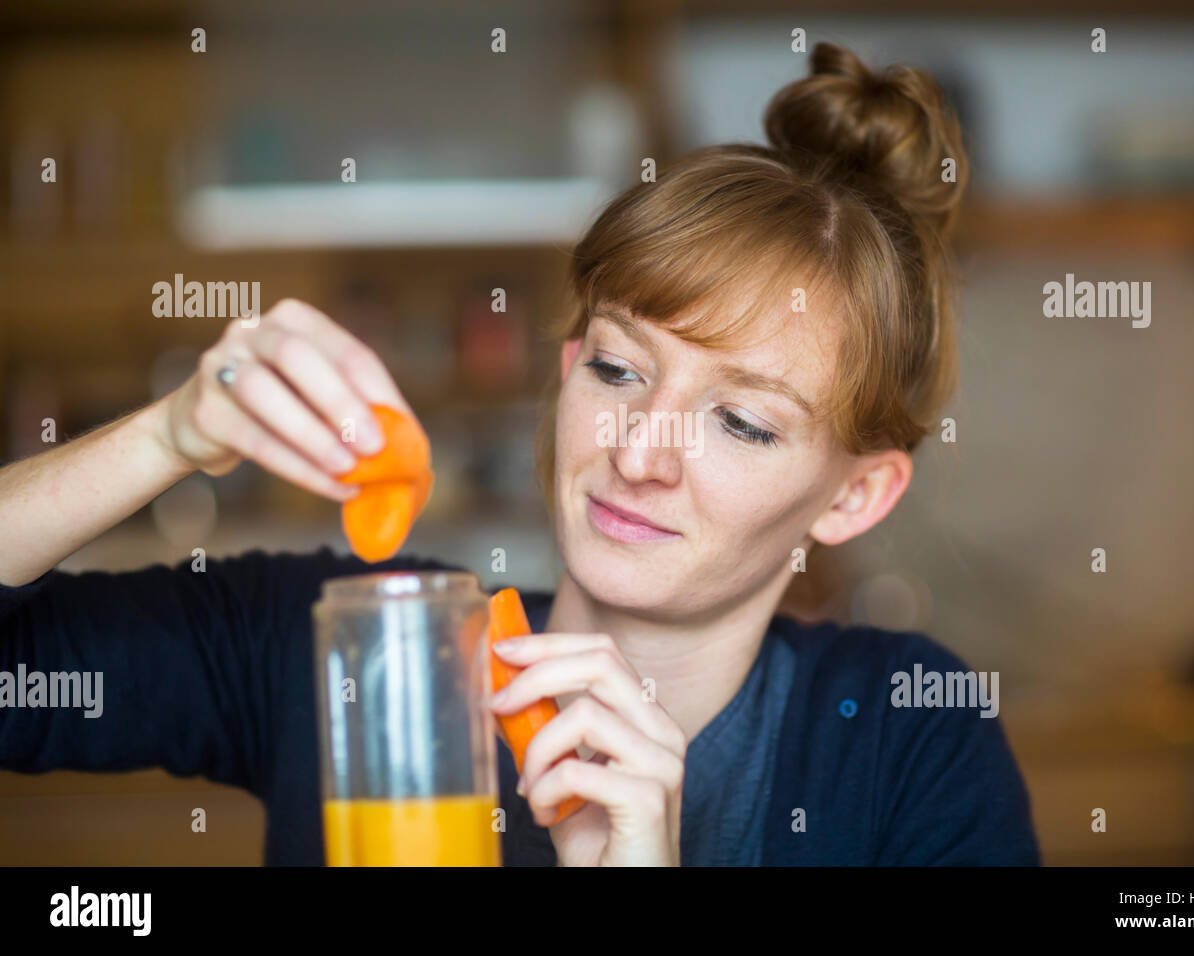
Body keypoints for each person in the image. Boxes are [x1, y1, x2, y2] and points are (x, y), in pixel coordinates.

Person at [0, 42, 1038, 866]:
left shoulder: (907, 735)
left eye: (742, 422)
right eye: (621, 372)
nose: (639, 453)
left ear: (854, 496)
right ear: (566, 366)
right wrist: (168, 434)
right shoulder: (352, 643)